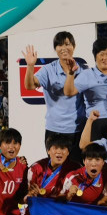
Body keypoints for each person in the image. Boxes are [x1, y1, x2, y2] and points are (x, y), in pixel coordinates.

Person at [22, 32, 86, 163]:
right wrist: (30, 66)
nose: (63, 48)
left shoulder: (83, 70)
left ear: (74, 46)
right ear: (55, 49)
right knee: (54, 169)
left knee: (75, 168)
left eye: (67, 44)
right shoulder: (48, 70)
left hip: (77, 129)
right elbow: (29, 85)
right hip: (54, 129)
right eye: (59, 45)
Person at [63, 38, 107, 140]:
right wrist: (70, 74)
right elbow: (69, 92)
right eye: (101, 54)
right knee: (95, 155)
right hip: (96, 121)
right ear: (95, 57)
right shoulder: (87, 75)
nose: (105, 57)